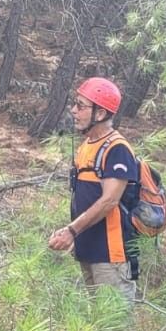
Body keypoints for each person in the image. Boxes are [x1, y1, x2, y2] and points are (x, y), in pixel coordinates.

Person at [48, 77, 139, 299]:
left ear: (100, 114)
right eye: (75, 103)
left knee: (114, 327)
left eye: (81, 105)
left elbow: (109, 200)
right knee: (97, 324)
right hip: (88, 249)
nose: (73, 110)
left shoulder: (117, 149)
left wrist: (71, 230)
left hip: (111, 254)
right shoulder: (86, 146)